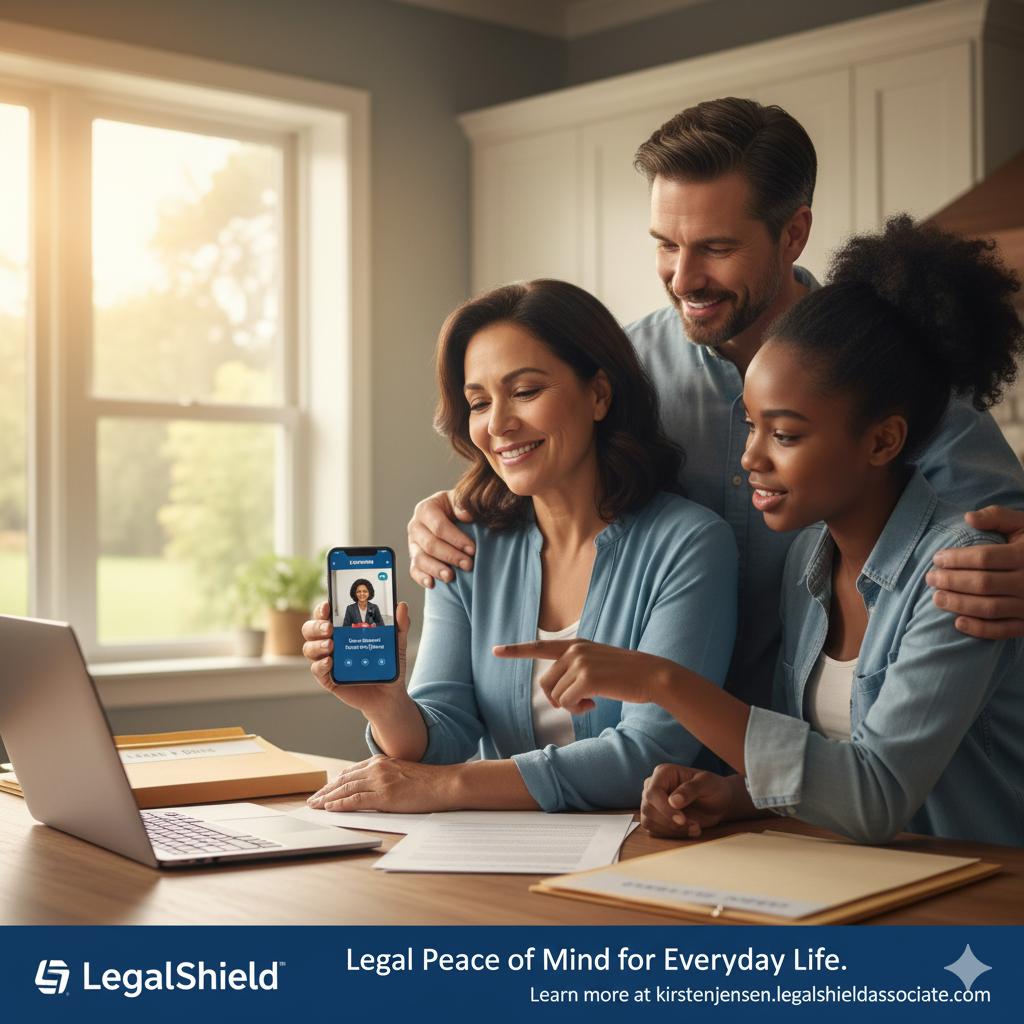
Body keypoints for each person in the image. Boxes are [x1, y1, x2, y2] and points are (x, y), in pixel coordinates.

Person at [406, 98, 1024, 714]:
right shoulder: (624, 368)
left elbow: (1000, 530)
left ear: (794, 235)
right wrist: (453, 509)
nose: (683, 278)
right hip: (661, 771)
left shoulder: (881, 367)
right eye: (666, 245)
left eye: (716, 248)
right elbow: (536, 471)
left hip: (816, 758)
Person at [503, 216, 1024, 847]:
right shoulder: (808, 559)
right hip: (858, 881)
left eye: (785, 434)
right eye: (751, 426)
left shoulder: (961, 576)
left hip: (982, 894)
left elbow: (875, 796)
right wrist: (727, 794)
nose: (751, 458)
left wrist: (660, 681)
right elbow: (816, 759)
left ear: (883, 439)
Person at [302, 279, 738, 813]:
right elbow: (444, 734)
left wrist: (449, 787)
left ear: (599, 394)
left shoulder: (690, 545)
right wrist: (387, 705)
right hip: (503, 859)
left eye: (526, 391)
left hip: (651, 847)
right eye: (479, 402)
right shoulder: (464, 546)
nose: (499, 425)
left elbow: (649, 755)